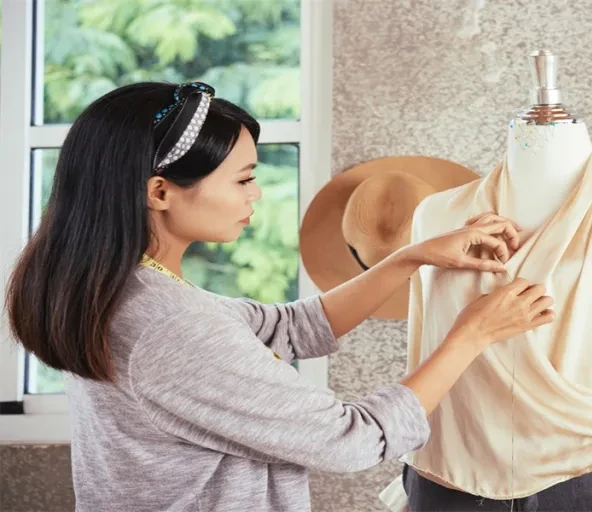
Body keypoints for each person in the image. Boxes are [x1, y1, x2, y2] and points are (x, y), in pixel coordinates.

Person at [3, 81, 554, 511]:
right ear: (161, 191)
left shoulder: (125, 286)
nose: (256, 194)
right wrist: (472, 334)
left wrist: (412, 256)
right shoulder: (166, 324)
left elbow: (290, 328)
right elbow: (349, 439)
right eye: (243, 179)